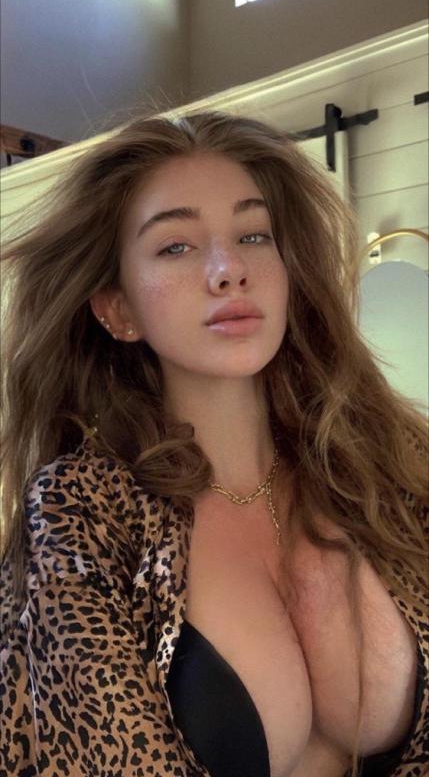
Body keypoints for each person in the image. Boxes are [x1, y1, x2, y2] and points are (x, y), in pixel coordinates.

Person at [0, 110, 428, 777]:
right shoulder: (81, 510)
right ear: (118, 309)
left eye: (253, 235)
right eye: (176, 246)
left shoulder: (387, 463)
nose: (229, 269)